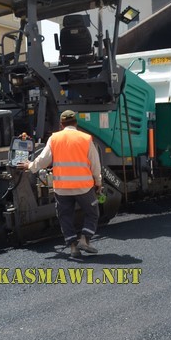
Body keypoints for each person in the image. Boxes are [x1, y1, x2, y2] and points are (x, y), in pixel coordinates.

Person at [17, 110, 103, 258]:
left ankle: (73, 248)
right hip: (84, 187)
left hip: (62, 188)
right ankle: (84, 239)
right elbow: (95, 165)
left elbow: (43, 160)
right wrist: (98, 182)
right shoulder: (86, 139)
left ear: (61, 124)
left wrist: (30, 166)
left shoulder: (54, 138)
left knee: (65, 216)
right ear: (76, 123)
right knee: (92, 213)